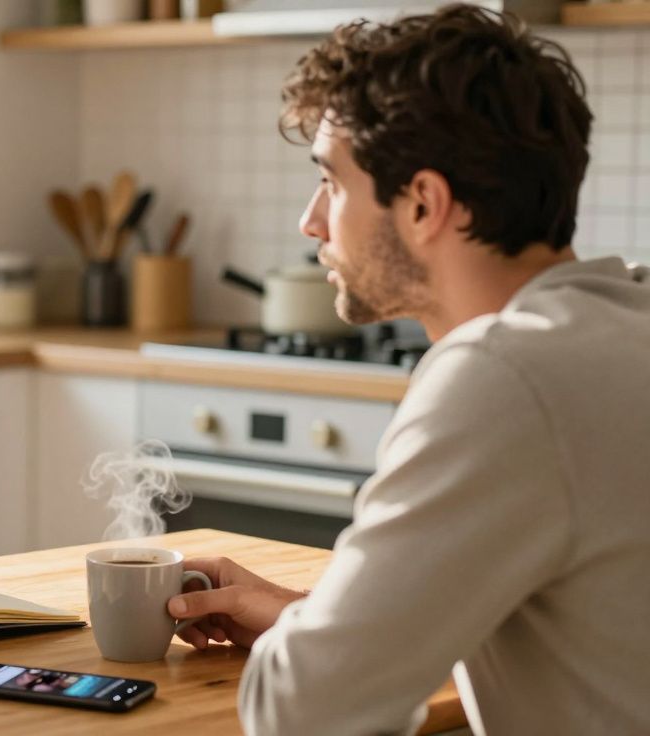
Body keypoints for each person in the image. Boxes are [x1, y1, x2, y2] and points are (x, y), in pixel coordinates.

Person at [166, 5, 650, 734]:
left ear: (423, 203)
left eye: (331, 182)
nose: (311, 222)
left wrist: (317, 646)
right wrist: (315, 616)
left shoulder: (505, 377)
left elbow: (303, 713)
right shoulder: (624, 319)